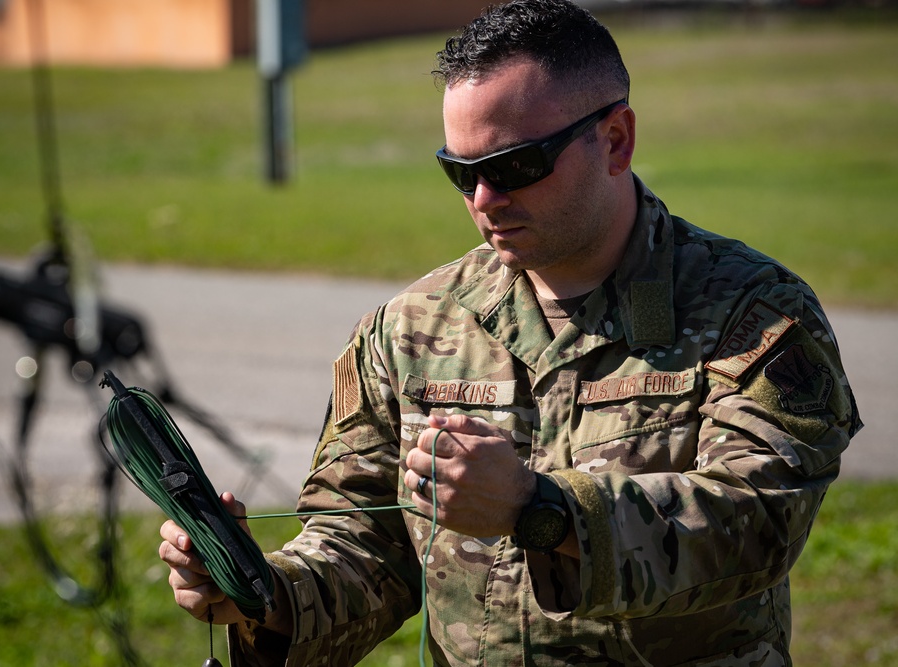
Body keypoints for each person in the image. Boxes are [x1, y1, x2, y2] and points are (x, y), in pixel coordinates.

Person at [159, 1, 862, 664]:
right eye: (460, 173)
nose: (484, 201)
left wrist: (542, 510)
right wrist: (261, 594)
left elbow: (759, 521)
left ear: (615, 140)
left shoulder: (751, 312)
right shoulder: (413, 327)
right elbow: (364, 545)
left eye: (514, 167)